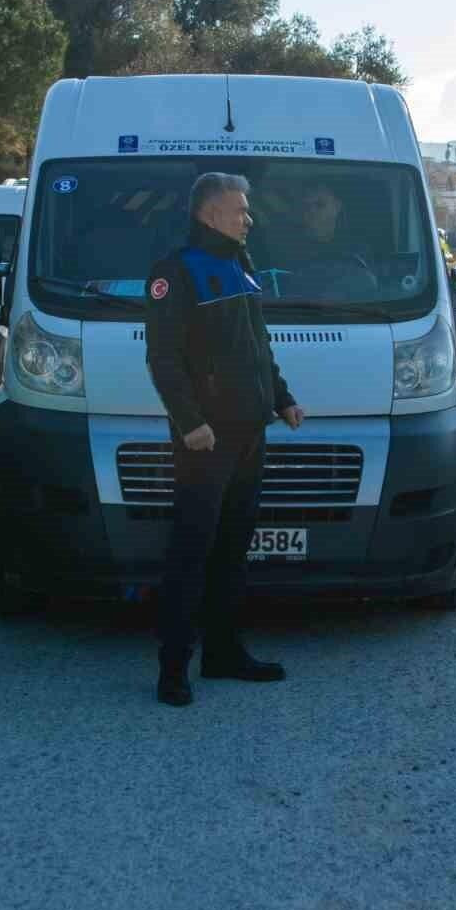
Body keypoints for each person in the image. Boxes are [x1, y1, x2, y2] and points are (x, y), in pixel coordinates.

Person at [143, 172, 307, 707]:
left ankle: (223, 653)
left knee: (233, 551)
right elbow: (163, 360)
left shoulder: (239, 264)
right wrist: (190, 421)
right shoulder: (175, 272)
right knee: (191, 554)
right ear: (210, 214)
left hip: (249, 432)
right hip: (205, 441)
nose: (248, 219)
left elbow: (257, 347)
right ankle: (173, 670)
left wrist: (281, 398)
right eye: (240, 211)